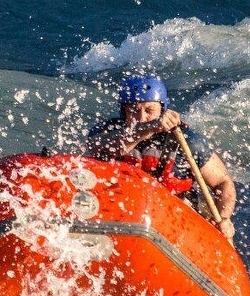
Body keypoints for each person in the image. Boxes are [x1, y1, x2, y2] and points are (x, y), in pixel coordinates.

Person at [86, 73, 238, 240]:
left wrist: (224, 218)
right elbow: (97, 147)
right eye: (134, 111)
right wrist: (148, 128)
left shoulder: (187, 141)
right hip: (120, 211)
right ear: (124, 112)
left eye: (149, 110)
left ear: (162, 110)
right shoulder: (108, 133)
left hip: (176, 217)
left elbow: (223, 182)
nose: (141, 118)